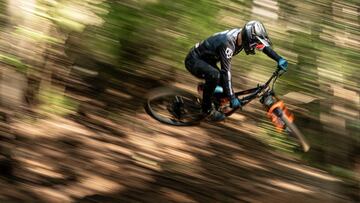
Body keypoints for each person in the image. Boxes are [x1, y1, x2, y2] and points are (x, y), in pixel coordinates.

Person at [184, 20, 288, 121]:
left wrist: (278, 58)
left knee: (223, 86)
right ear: (248, 39)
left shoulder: (242, 36)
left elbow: (263, 46)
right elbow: (226, 72)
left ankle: (207, 92)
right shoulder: (228, 44)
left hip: (207, 61)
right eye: (254, 43)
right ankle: (206, 110)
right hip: (194, 60)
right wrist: (232, 97)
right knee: (216, 75)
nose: (255, 46)